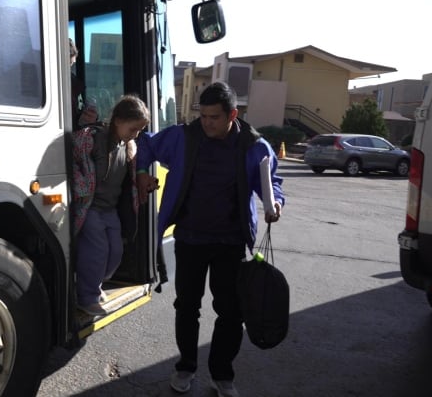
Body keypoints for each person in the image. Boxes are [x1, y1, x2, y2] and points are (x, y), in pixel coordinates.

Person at [135, 81, 284, 397]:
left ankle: (222, 374)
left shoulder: (253, 145)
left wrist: (277, 203)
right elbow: (145, 144)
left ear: (233, 114)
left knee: (231, 312)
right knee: (186, 306)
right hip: (189, 239)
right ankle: (186, 366)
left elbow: (271, 179)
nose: (207, 123)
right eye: (203, 116)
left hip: (230, 244)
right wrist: (142, 172)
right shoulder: (183, 137)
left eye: (214, 117)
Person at [71, 95, 150, 316]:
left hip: (110, 209)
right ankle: (86, 297)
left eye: (139, 131)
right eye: (133, 128)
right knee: (97, 252)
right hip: (91, 208)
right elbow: (71, 160)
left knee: (115, 252)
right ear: (118, 120)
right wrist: (81, 188)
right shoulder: (93, 139)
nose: (136, 135)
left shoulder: (129, 146)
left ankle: (92, 284)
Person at [69, 38, 98, 128]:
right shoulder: (74, 84)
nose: (69, 70)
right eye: (68, 64)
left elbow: (78, 113)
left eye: (71, 65)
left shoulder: (76, 85)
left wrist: (90, 118)